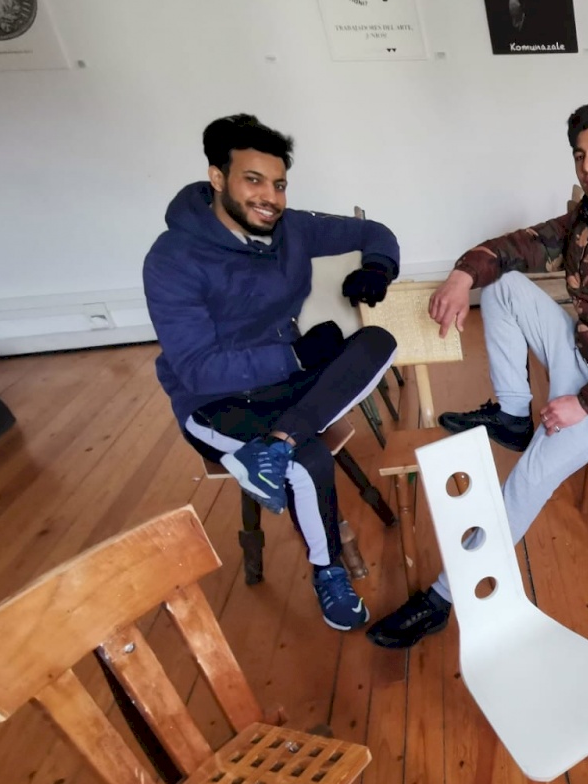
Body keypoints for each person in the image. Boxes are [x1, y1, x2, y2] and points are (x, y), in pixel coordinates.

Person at [365, 103, 588, 649]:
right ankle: (513, 413)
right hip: (585, 354)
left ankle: (443, 598)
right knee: (502, 284)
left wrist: (582, 404)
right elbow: (518, 245)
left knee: (525, 483)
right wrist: (463, 273)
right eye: (580, 155)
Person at [144, 113, 400, 630]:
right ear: (218, 178)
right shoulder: (172, 258)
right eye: (253, 180)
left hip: (285, 386)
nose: (270, 197)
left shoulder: (292, 228)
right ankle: (328, 572)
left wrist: (378, 266)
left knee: (378, 341)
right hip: (216, 402)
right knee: (311, 460)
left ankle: (275, 446)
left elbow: (375, 230)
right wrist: (297, 358)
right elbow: (196, 370)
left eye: (279, 184)